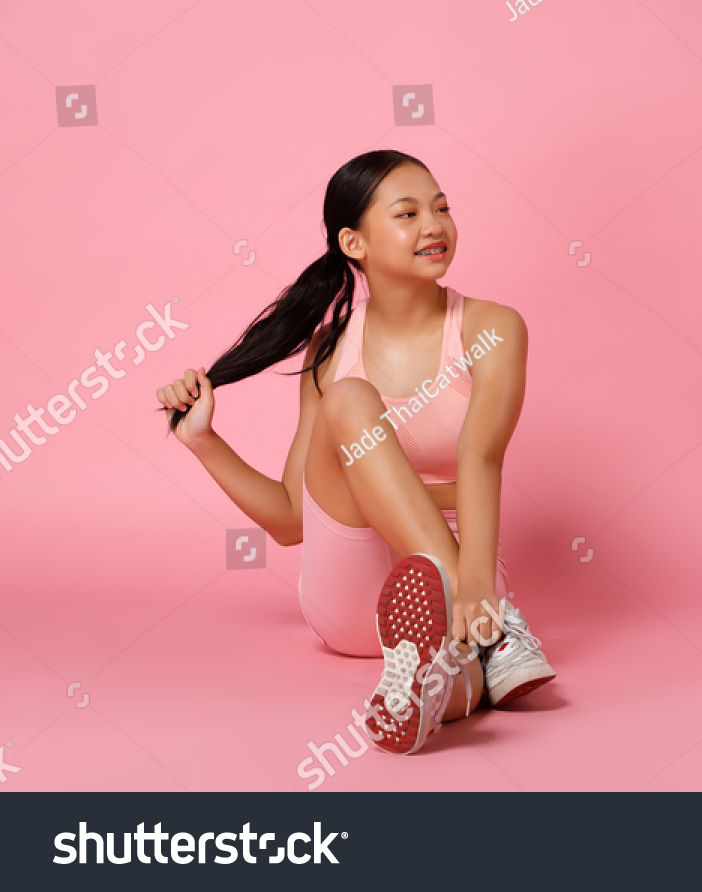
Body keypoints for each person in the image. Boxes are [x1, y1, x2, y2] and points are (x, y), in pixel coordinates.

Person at [154, 150, 555, 755]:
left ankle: (438, 685)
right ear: (354, 242)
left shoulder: (492, 329)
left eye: (442, 208)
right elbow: (292, 520)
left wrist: (475, 586)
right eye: (408, 213)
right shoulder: (331, 349)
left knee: (453, 668)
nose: (434, 226)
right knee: (349, 400)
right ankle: (490, 640)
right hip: (355, 592)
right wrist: (204, 441)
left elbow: (482, 458)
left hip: (468, 574)